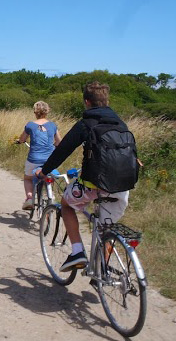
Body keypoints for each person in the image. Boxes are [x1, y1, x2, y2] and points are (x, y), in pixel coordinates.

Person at [36, 81, 134, 271]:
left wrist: (45, 171)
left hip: (93, 184)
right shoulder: (120, 123)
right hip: (122, 186)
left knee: (66, 204)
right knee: (105, 228)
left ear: (87, 102)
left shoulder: (86, 123)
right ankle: (103, 269)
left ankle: (78, 252)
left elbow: (62, 150)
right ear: (107, 100)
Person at [16, 101, 62, 211]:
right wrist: (55, 145)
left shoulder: (30, 125)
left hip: (34, 159)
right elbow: (59, 141)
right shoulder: (53, 125)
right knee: (50, 175)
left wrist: (20, 141)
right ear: (47, 111)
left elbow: (22, 139)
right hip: (49, 159)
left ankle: (30, 198)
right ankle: (51, 194)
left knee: (27, 178)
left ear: (35, 111)